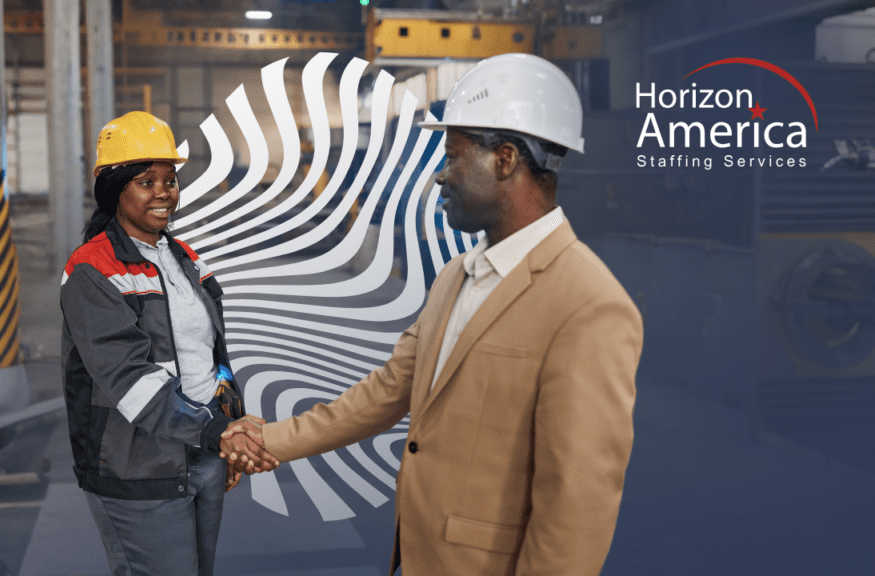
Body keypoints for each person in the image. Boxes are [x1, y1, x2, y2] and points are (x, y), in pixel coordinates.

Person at [223, 54, 644, 575]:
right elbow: (388, 390)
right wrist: (269, 439)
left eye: (453, 156)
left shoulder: (588, 304)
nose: (441, 176)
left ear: (505, 159)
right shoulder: (456, 277)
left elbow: (577, 501)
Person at [60, 111, 277, 576]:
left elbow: (211, 356)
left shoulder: (183, 258)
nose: (163, 192)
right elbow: (128, 379)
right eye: (145, 181)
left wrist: (230, 420)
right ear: (114, 189)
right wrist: (217, 433)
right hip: (138, 467)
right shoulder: (92, 269)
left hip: (203, 454)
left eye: (170, 180)